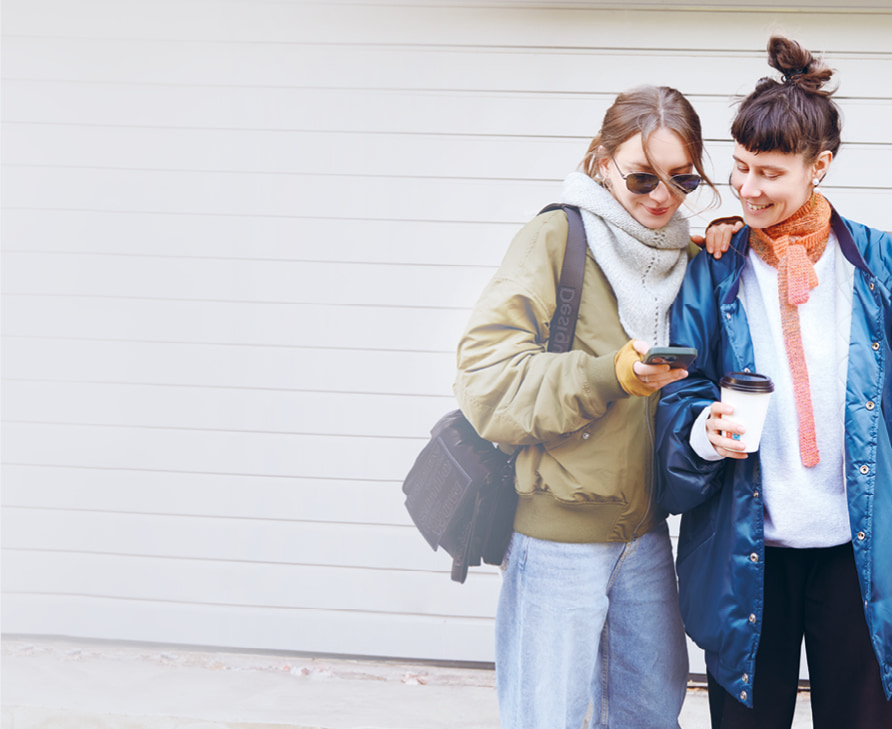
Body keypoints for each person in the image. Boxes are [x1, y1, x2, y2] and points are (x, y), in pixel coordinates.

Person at [454, 86, 718, 729]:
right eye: (640, 178)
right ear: (602, 161)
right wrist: (610, 375)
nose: (662, 197)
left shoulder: (686, 256)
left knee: (652, 716)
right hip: (557, 539)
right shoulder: (557, 238)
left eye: (682, 179)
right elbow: (485, 379)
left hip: (647, 538)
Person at [655, 36, 892, 729]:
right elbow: (680, 386)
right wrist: (701, 428)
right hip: (746, 549)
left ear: (819, 166)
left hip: (859, 554)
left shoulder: (876, 267)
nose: (749, 189)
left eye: (769, 173)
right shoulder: (713, 267)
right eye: (739, 168)